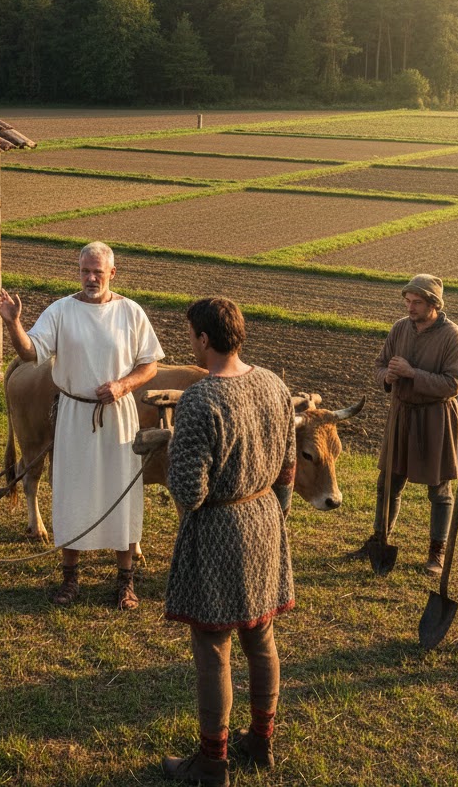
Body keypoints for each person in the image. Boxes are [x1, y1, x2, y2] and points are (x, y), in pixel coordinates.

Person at [160, 298, 295, 787]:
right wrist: (276, 512)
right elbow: (287, 467)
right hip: (265, 519)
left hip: (219, 528)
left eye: (190, 336)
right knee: (261, 638)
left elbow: (188, 492)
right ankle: (261, 740)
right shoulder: (274, 384)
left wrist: (173, 450)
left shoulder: (199, 400)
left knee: (213, 646)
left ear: (203, 339)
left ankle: (212, 763)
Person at [0, 241, 163, 609]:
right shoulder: (61, 311)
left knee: (121, 492)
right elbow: (30, 352)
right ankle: (70, 579)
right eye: (85, 271)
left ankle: (125, 581)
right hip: (73, 414)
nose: (90, 278)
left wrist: (123, 386)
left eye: (97, 272)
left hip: (118, 415)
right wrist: (13, 323)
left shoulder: (131, 312)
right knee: (71, 492)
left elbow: (149, 363)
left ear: (112, 273)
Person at [351, 274, 458, 574]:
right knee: (387, 484)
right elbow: (380, 365)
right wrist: (387, 377)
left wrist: (412, 373)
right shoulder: (400, 328)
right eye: (407, 301)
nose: (410, 307)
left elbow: (453, 384)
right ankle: (379, 538)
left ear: (434, 304)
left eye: (417, 302)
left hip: (435, 419)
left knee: (439, 490)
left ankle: (437, 552)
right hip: (401, 415)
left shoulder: (453, 337)